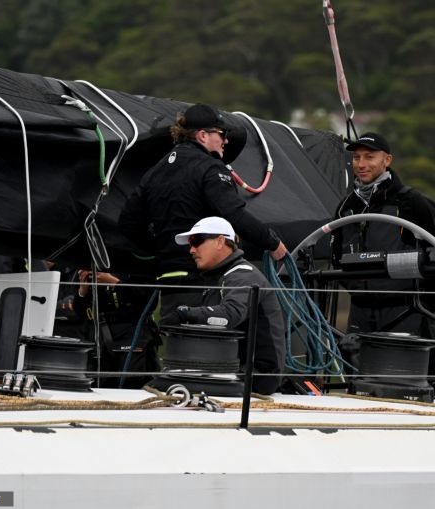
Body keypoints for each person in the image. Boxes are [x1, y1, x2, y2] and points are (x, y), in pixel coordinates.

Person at [118, 103, 287, 316]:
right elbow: (234, 215)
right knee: (210, 344)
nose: (226, 140)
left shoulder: (155, 171)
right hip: (203, 279)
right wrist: (273, 243)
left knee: (175, 342)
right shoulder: (210, 168)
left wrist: (163, 248)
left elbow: (127, 223)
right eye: (222, 133)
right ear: (202, 136)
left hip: (168, 278)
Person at [330, 132, 435, 392]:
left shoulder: (412, 203)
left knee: (417, 388)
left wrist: (424, 306)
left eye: (369, 157)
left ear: (387, 160)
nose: (361, 164)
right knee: (357, 388)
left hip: (405, 309)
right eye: (356, 157)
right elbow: (336, 257)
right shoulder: (345, 208)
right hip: (360, 310)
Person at [161, 217, 285, 395]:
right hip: (229, 371)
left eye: (197, 241)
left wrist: (185, 314)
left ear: (220, 241)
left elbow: (230, 315)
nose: (191, 250)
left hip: (257, 376)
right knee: (164, 381)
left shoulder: (243, 274)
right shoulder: (220, 278)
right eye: (190, 243)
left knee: (164, 386)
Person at [73, 270, 161, 389]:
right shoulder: (95, 266)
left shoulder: (140, 267)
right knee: (100, 382)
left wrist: (114, 283)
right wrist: (83, 290)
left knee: (133, 381)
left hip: (133, 331)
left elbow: (149, 300)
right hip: (102, 334)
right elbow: (80, 312)